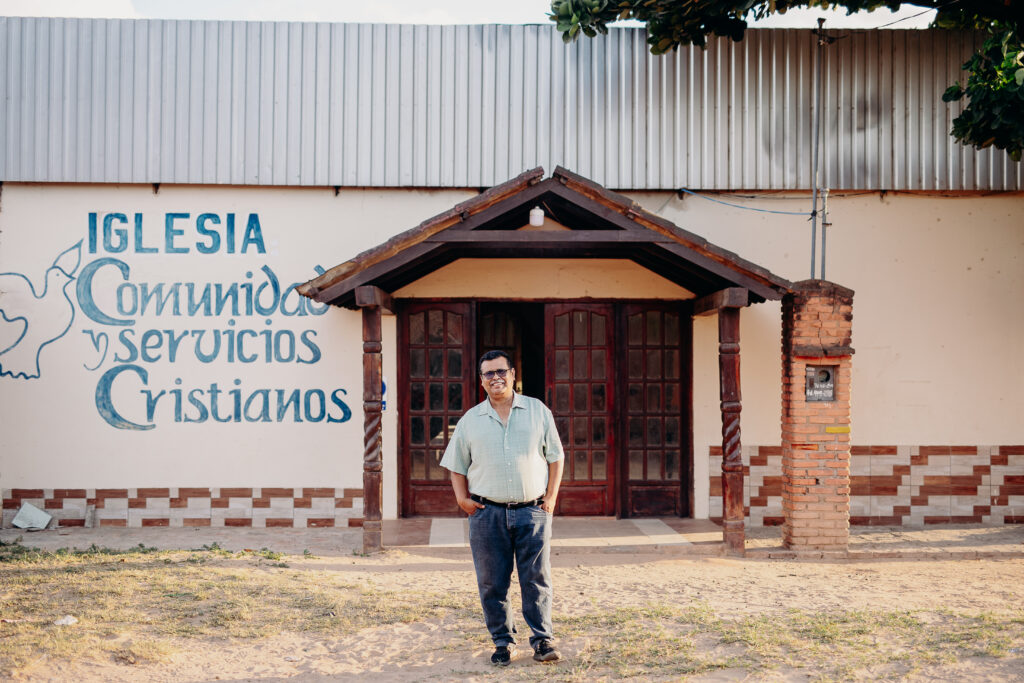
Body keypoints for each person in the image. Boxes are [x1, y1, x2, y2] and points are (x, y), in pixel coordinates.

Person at [439, 349, 565, 666]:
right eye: (488, 374)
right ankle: (503, 642)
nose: (496, 378)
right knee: (492, 582)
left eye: (501, 371)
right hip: (487, 514)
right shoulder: (471, 420)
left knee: (536, 580)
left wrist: (550, 498)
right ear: (481, 381)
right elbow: (456, 465)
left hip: (532, 512)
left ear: (512, 374)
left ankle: (542, 641)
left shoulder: (538, 411)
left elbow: (556, 457)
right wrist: (461, 499)